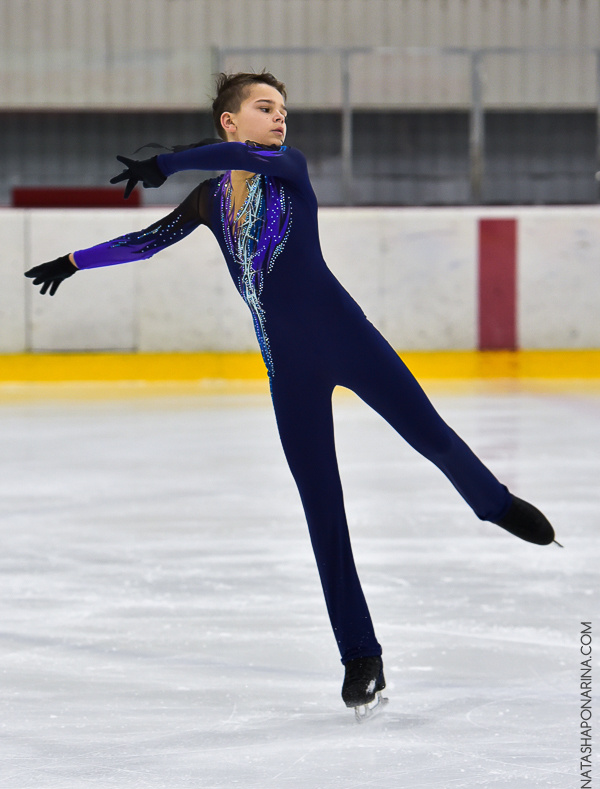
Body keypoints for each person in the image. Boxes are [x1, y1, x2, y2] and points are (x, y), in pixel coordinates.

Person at [25, 71, 558, 717]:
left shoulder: (288, 169)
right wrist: (74, 261)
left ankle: (492, 504)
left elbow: (228, 157)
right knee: (321, 510)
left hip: (349, 338)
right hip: (288, 370)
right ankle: (360, 656)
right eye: (264, 107)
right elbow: (147, 241)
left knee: (432, 438)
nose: (280, 118)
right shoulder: (207, 202)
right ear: (230, 118)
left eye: (283, 109)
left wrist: (164, 160)